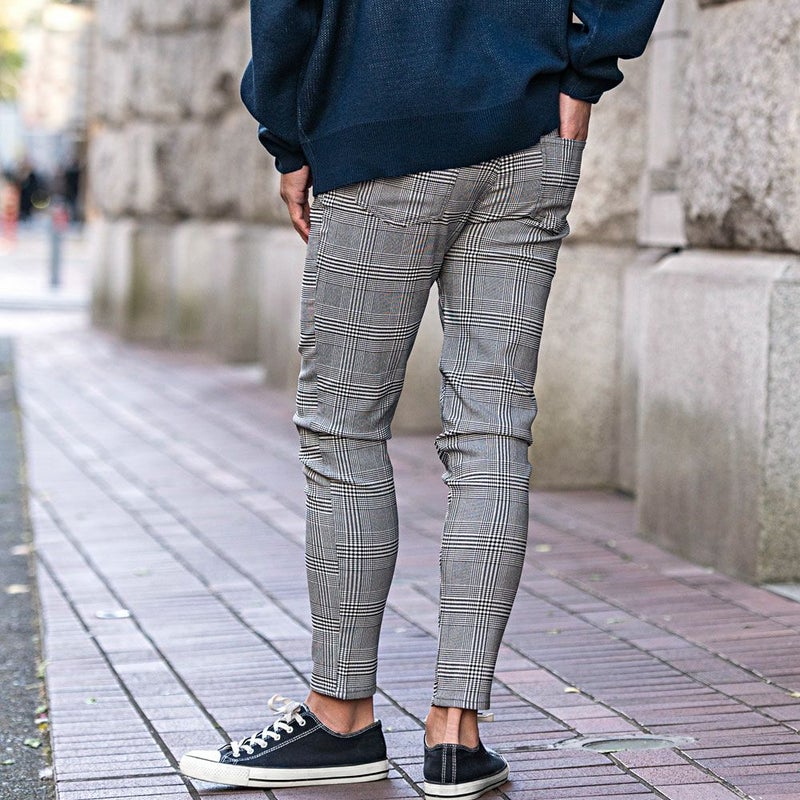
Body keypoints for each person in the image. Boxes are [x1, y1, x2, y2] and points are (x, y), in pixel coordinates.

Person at [180, 2, 664, 798]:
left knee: (344, 428)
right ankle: (456, 735)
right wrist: (588, 67)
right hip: (530, 124)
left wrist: (288, 136)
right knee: (492, 430)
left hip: (378, 122)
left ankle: (341, 720)